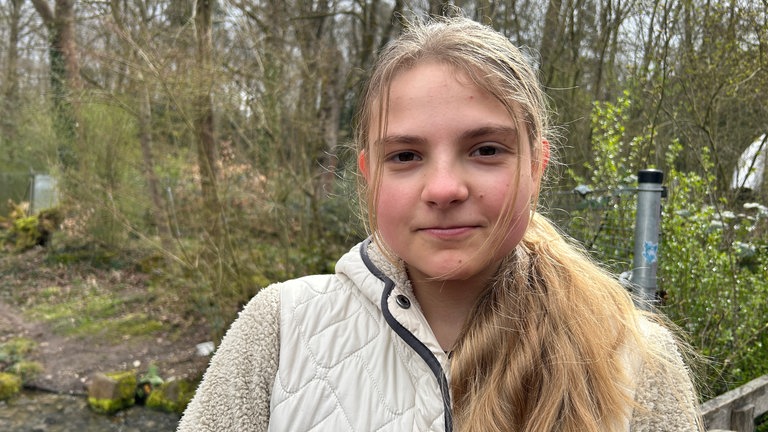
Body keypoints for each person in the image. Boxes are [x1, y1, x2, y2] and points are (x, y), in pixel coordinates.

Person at [177, 15, 703, 432]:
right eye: (405, 156)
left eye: (486, 149)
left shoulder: (634, 359)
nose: (444, 188)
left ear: (537, 167)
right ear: (368, 178)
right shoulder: (279, 329)